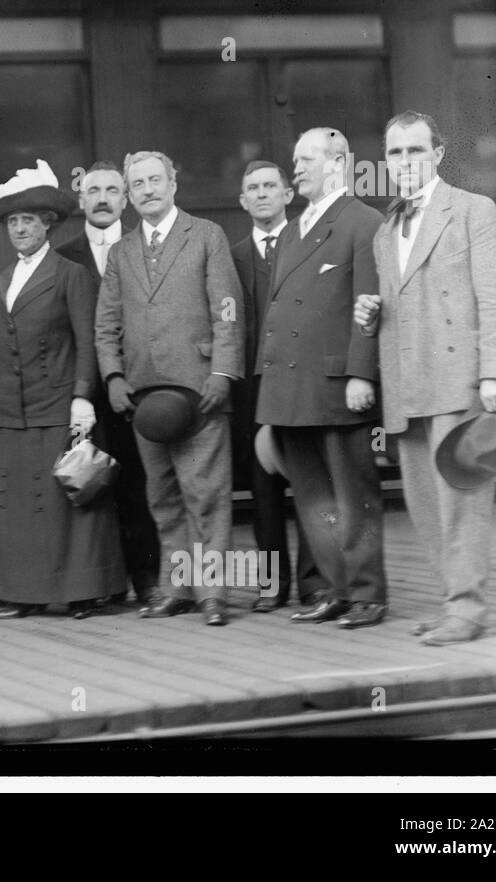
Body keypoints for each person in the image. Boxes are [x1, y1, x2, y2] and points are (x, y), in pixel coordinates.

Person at [355, 110, 496, 646]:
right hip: (409, 384)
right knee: (426, 506)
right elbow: (406, 300)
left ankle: (467, 610)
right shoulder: (387, 230)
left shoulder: (474, 211)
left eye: (414, 150)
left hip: (461, 381)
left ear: (438, 153)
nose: (404, 161)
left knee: (462, 502)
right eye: (395, 152)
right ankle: (452, 601)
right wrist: (372, 312)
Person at [94, 150, 242, 628]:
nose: (148, 190)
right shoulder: (122, 252)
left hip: (200, 391)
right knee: (162, 495)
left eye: (156, 180)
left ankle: (213, 593)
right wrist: (115, 378)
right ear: (130, 195)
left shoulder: (206, 237)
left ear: (173, 183)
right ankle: (177, 587)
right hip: (145, 399)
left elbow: (227, 310)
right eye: (138, 184)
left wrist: (223, 372)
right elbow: (107, 323)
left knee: (207, 493)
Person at [0, 160, 125, 619]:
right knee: (17, 503)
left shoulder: (70, 274)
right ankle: (23, 594)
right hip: (10, 412)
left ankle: (81, 592)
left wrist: (82, 397)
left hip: (58, 406)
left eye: (28, 221)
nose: (20, 229)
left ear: (48, 225)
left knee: (66, 503)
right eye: (13, 221)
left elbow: (88, 340)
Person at [257, 127, 386, 630]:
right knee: (314, 501)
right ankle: (335, 589)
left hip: (337, 386)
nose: (297, 168)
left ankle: (368, 595)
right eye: (295, 159)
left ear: (337, 163)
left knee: (355, 499)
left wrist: (361, 373)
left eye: (307, 159)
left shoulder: (362, 222)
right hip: (290, 391)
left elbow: (369, 308)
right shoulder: (291, 231)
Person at [57, 160, 157, 606]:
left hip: (133, 390)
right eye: (93, 190)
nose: (102, 198)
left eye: (112, 190)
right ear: (80, 199)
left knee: (139, 485)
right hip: (82, 393)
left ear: (126, 198)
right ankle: (99, 586)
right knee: (88, 487)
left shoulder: (144, 250)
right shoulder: (61, 257)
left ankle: (148, 580)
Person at [229, 161, 324, 612]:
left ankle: (314, 583)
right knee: (263, 490)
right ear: (243, 200)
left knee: (307, 480)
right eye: (253, 188)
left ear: (288, 194)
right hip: (253, 390)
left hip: (301, 383)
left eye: (271, 186)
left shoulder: (307, 244)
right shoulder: (231, 256)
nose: (262, 193)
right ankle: (272, 584)